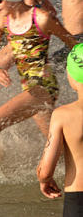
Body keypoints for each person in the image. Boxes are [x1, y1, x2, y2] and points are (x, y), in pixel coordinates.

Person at [0, 0, 76, 145]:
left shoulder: (42, 18)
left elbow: (73, 44)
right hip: (28, 87)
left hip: (43, 87)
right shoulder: (1, 21)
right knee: (56, 145)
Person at [36, 44, 83, 213]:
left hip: (78, 198)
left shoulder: (63, 115)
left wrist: (44, 180)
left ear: (72, 75)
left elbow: (45, 171)